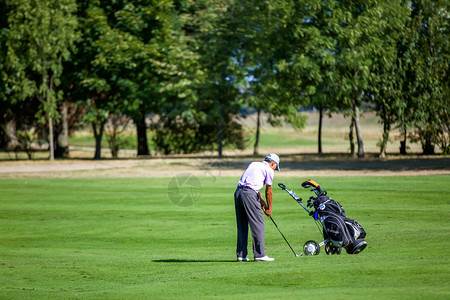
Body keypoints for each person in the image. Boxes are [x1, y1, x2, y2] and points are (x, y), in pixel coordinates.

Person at [234, 153, 280, 262]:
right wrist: (269, 208)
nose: (274, 169)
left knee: (242, 224)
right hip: (249, 194)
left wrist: (261, 201)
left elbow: (252, 184)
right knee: (258, 223)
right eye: (275, 167)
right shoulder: (269, 170)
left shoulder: (254, 164)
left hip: (238, 193)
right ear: (273, 164)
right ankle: (260, 254)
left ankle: (241, 255)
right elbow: (268, 191)